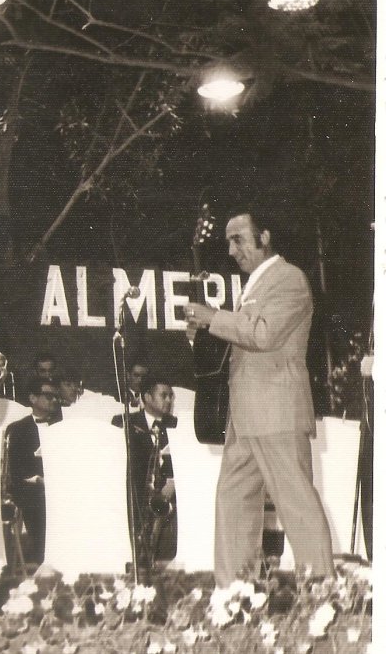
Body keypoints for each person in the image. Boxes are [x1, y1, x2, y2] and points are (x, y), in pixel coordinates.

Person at [185, 208, 334, 586]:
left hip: (277, 412)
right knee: (232, 502)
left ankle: (323, 595)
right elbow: (245, 344)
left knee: (296, 503)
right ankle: (235, 595)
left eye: (239, 239)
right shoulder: (254, 286)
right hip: (247, 415)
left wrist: (213, 318)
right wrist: (203, 333)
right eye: (228, 242)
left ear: (265, 237)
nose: (232, 250)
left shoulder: (289, 279)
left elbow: (265, 334)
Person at [111, 375, 178, 569]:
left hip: (167, 494)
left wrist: (170, 485)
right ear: (147, 397)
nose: (169, 400)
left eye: (171, 396)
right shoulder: (124, 422)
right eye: (163, 395)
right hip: (135, 494)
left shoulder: (176, 425)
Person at [3, 375, 62, 565]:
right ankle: (43, 559)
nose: (54, 400)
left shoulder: (64, 425)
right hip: (32, 489)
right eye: (48, 396)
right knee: (40, 501)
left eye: (55, 396)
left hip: (60, 485)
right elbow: (17, 471)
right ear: (33, 398)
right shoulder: (18, 429)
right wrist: (39, 480)